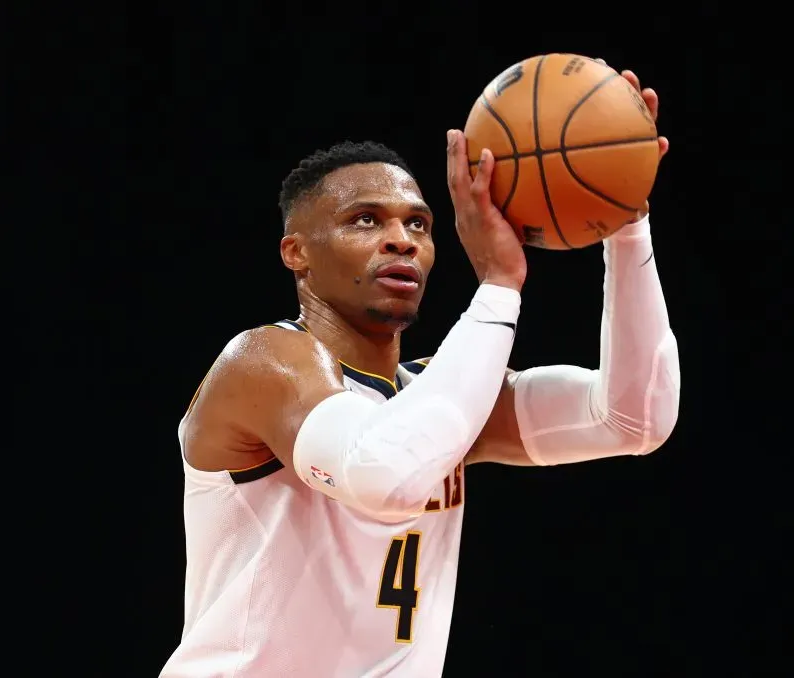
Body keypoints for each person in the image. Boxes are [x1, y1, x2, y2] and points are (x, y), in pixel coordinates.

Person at [160, 67, 680, 678]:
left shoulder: (436, 395)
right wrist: (498, 287)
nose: (401, 240)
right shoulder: (262, 363)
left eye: (419, 224)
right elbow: (384, 476)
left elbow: (631, 418)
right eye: (365, 220)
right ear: (295, 252)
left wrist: (623, 223)